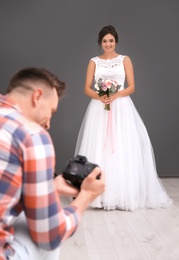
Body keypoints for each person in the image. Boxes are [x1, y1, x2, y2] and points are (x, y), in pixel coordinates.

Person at [0, 67, 105, 260]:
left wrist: (49, 188)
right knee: (47, 229)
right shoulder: (32, 134)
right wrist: (85, 197)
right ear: (37, 96)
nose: (48, 124)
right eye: (52, 112)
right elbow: (49, 236)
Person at [75, 25, 173, 211]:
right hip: (99, 108)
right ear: (100, 43)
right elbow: (87, 88)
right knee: (99, 145)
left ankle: (122, 194)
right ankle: (100, 195)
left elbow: (132, 86)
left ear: (116, 42)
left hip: (121, 107)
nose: (108, 44)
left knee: (121, 146)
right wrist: (102, 96)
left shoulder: (125, 59)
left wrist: (116, 94)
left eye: (111, 40)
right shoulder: (93, 62)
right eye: (105, 41)